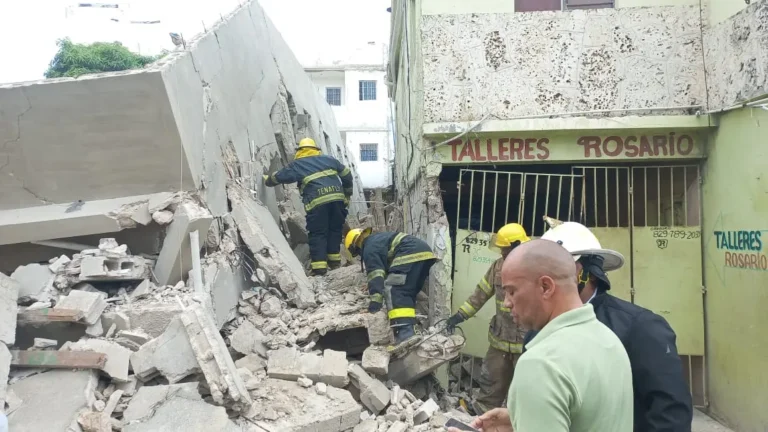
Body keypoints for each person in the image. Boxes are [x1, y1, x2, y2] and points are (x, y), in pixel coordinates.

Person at [527, 220, 693, 432]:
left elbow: (670, 417)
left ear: (582, 272)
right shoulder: (538, 331)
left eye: (549, 273)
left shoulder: (640, 328)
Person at [452, 239, 634, 432]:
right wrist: (524, 421)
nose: (506, 303)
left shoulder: (541, 364)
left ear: (546, 287)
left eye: (512, 292)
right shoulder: (609, 340)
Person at [445, 223, 530, 414]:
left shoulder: (535, 268)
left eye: (505, 249)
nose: (502, 253)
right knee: (491, 382)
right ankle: (482, 416)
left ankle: (518, 421)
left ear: (517, 245)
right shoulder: (498, 267)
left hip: (527, 342)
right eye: (501, 249)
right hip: (500, 339)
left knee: (526, 387)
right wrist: (460, 315)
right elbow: (481, 293)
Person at [263, 137, 353, 275]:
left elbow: (280, 176)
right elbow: (347, 175)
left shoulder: (298, 164)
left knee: (318, 233)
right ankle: (334, 262)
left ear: (300, 151)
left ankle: (319, 269)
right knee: (335, 230)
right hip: (337, 200)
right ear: (316, 149)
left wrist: (267, 180)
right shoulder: (329, 159)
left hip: (317, 203)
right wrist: (347, 194)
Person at [344, 228, 436, 352]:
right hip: (425, 254)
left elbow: (376, 275)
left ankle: (405, 334)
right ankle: (412, 330)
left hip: (409, 253)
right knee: (407, 292)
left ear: (355, 247)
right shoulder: (377, 240)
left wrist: (374, 306)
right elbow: (387, 268)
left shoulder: (368, 249)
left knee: (395, 290)